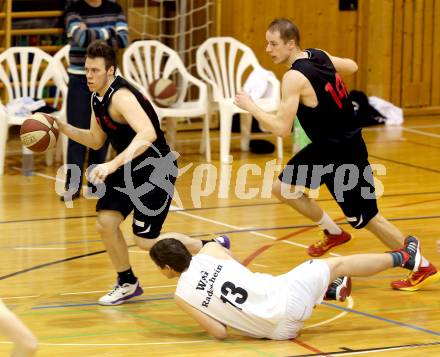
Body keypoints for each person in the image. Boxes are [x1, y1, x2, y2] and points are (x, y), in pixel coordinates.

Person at [233, 18, 439, 291]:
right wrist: (329, 68)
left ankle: (420, 265)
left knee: (368, 219)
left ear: (290, 44)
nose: (268, 49)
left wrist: (251, 106)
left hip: (344, 152)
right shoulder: (317, 55)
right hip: (324, 149)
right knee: (282, 187)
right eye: (266, 43)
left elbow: (281, 129)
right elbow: (352, 66)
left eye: (273, 43)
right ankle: (332, 232)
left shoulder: (293, 77)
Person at [54, 40, 230, 306]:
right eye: (87, 70)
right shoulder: (97, 97)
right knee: (106, 223)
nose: (89, 76)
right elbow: (95, 140)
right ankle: (127, 282)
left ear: (110, 70)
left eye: (95, 71)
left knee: (146, 242)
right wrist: (62, 128)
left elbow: (147, 133)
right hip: (129, 167)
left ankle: (207, 244)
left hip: (155, 168)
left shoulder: (121, 96)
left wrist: (111, 165)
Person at [149, 235, 421, 340]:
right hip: (287, 295)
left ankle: (327, 291)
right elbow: (230, 262)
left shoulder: (181, 296)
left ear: (167, 269)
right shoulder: (210, 251)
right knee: (336, 265)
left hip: (280, 332)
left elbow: (219, 332)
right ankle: (404, 257)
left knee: (282, 287)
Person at [62, 0, 129, 200]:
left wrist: (93, 34)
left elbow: (124, 40)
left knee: (104, 131)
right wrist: (109, 32)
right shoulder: (73, 9)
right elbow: (80, 38)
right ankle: (72, 186)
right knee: (77, 133)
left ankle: (96, 184)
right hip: (79, 81)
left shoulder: (115, 8)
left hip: (106, 82)